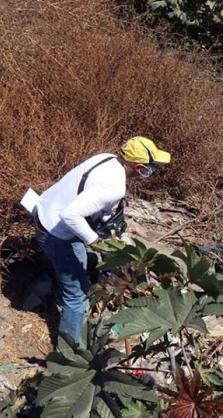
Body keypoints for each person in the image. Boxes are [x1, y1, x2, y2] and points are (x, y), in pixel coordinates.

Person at [33, 136, 170, 345]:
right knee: (77, 299)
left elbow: (92, 195)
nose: (152, 171)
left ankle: (83, 312)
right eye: (151, 167)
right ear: (140, 167)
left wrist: (109, 223)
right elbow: (70, 215)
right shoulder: (115, 187)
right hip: (55, 233)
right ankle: (66, 359)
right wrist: (96, 241)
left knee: (82, 267)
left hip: (43, 209)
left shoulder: (107, 159)